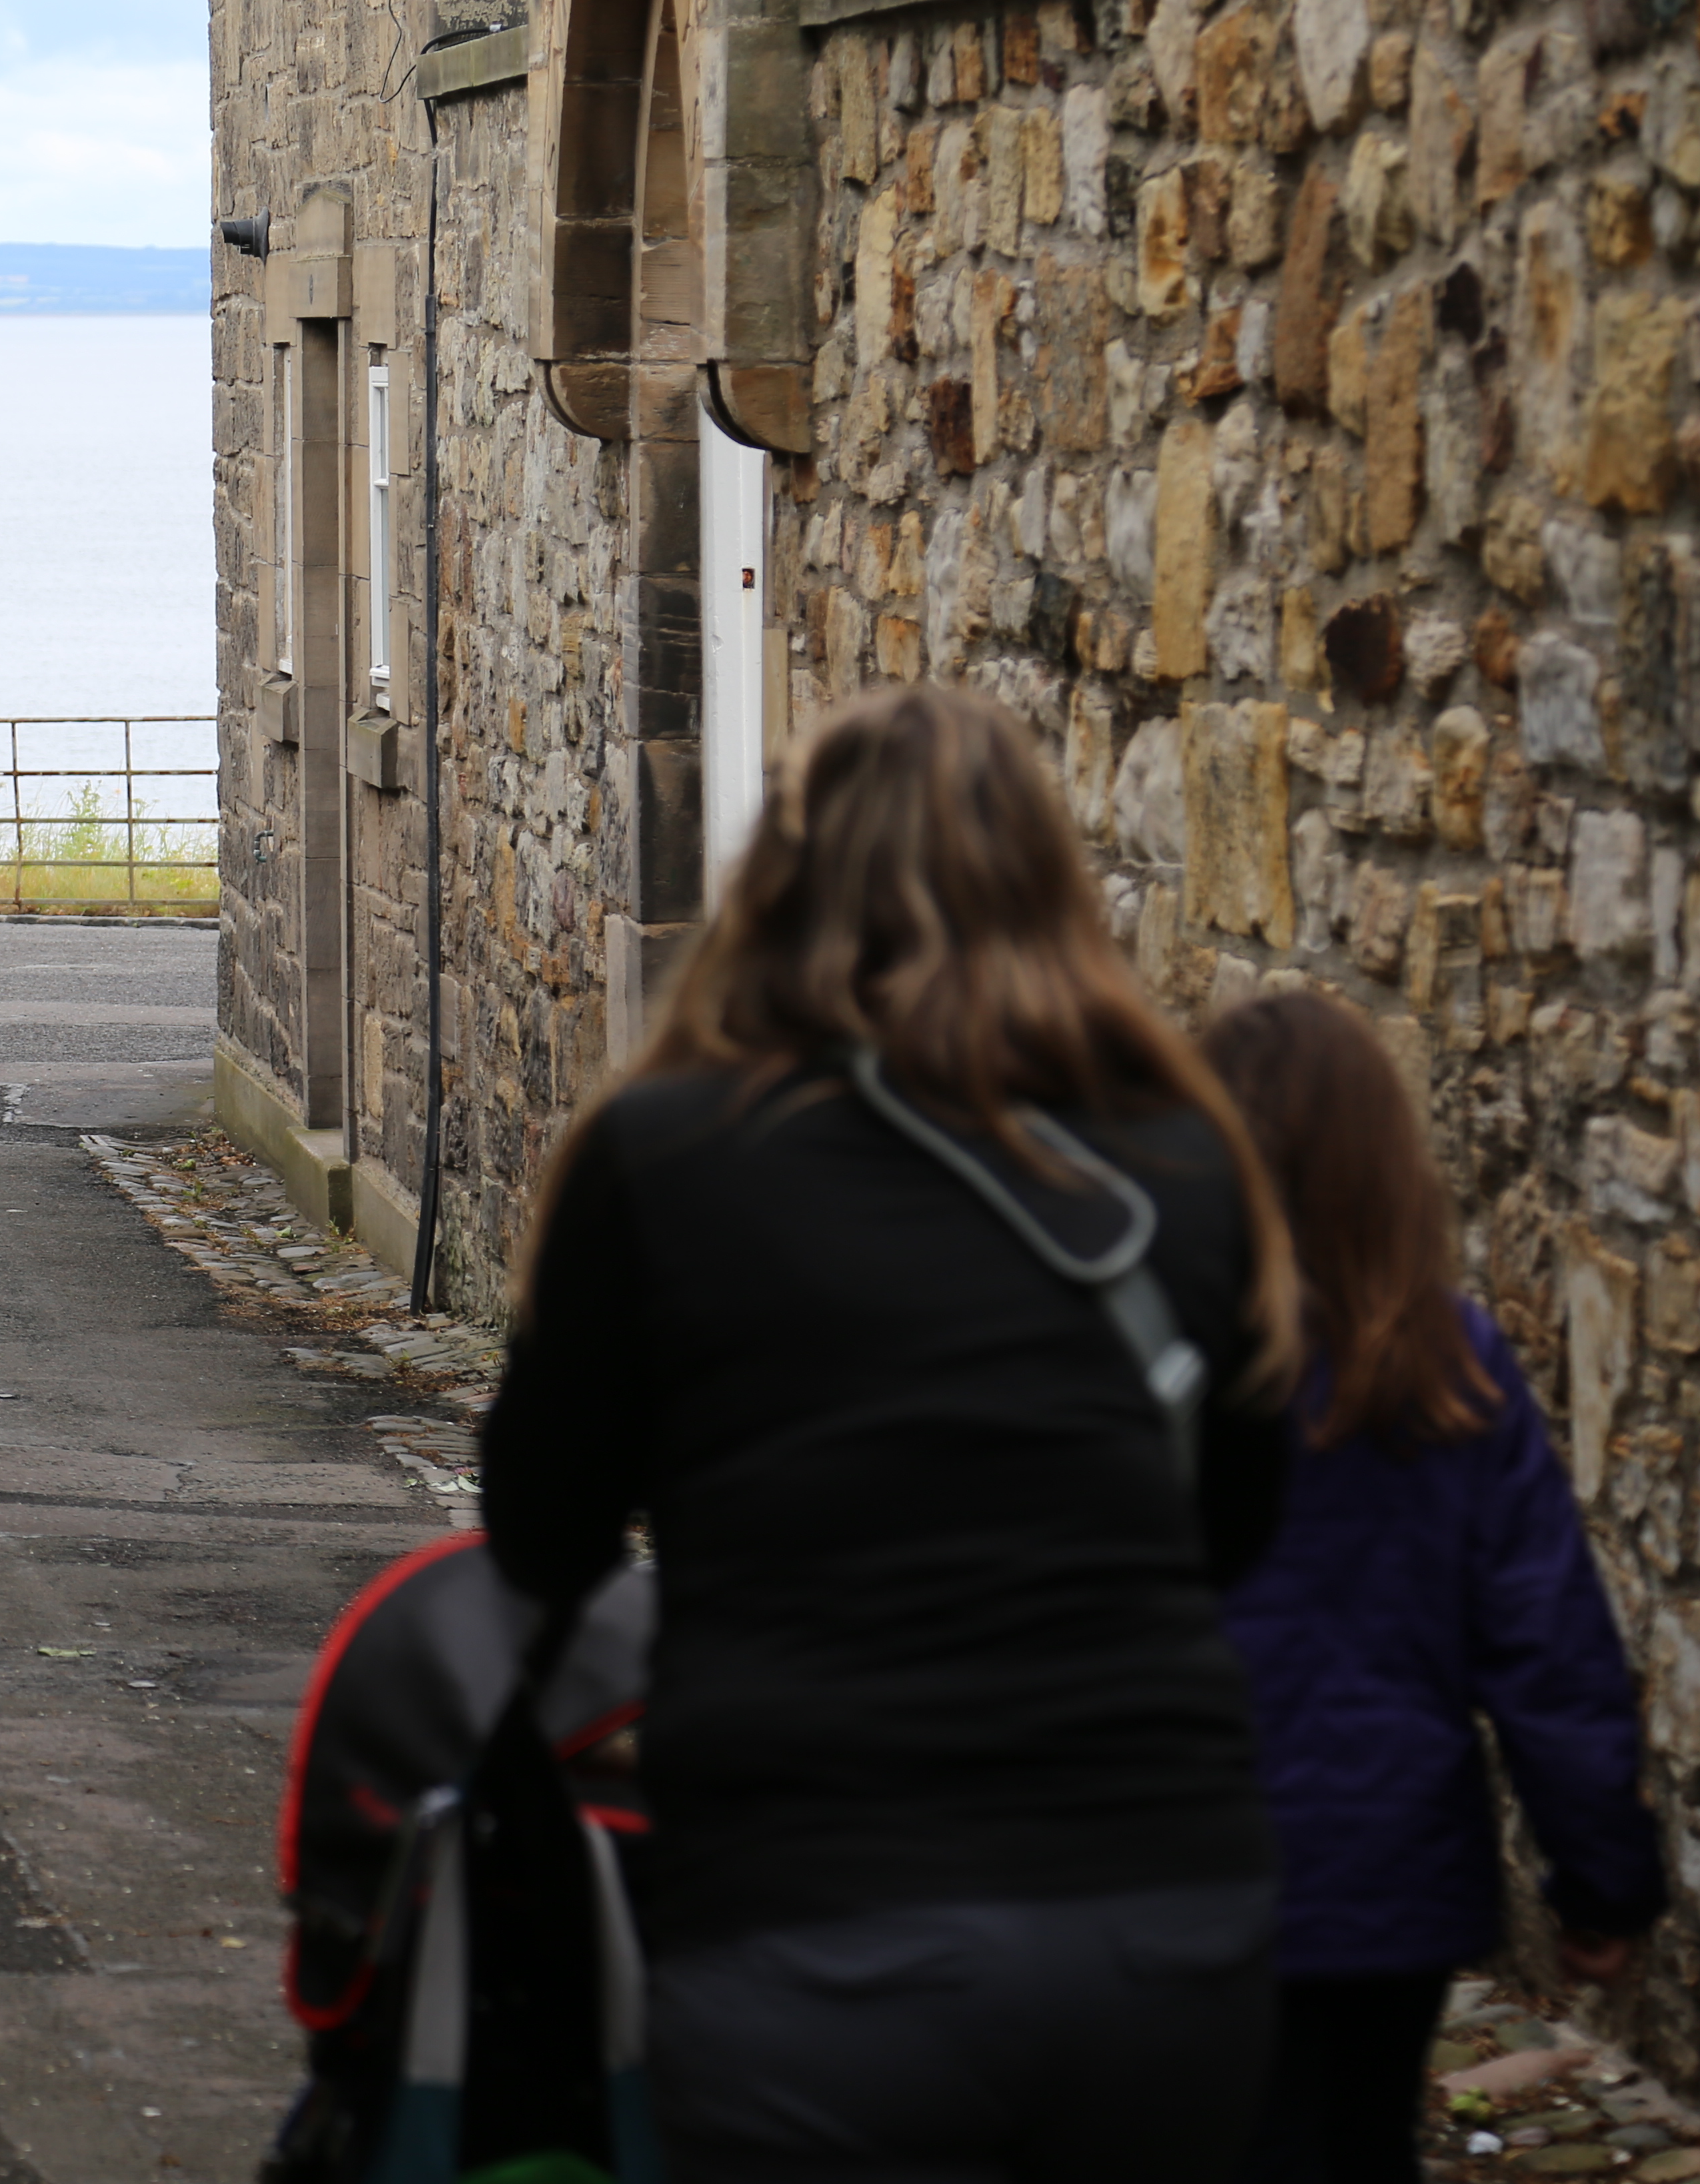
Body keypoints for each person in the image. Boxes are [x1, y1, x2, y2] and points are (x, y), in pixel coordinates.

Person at [481, 683, 1302, 2184]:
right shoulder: (1185, 1167)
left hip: (817, 1914)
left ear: (778, 884)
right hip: (1164, 1913)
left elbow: (544, 1527)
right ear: (1051, 883)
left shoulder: (667, 1153)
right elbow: (1235, 1527)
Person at [1200, 992, 1663, 2184]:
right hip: (1385, 1875)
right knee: (1354, 2144)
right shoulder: (1448, 1365)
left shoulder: (1159, 1365)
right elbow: (1547, 1643)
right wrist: (1599, 1880)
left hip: (1184, 1865)